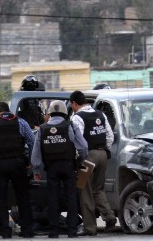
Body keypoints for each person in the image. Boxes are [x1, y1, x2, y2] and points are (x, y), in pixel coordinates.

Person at [31, 100, 88, 238]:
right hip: (68, 166)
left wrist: (36, 171)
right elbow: (83, 146)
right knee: (71, 198)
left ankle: (53, 231)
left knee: (52, 199)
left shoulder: (43, 128)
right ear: (64, 112)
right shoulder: (71, 125)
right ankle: (72, 231)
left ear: (50, 113)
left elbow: (36, 153)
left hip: (51, 168)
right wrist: (81, 160)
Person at [70, 90, 117, 236]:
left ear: (74, 103)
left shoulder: (77, 117)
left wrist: (79, 158)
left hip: (88, 157)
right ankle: (109, 217)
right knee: (98, 189)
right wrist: (103, 150)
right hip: (103, 155)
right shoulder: (100, 114)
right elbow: (109, 136)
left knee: (85, 191)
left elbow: (79, 142)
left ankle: (90, 228)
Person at [0, 101, 34, 239]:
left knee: (1, 198)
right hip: (18, 163)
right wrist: (30, 162)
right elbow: (32, 141)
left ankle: (5, 231)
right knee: (23, 196)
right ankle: (27, 230)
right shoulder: (21, 122)